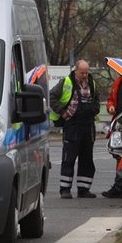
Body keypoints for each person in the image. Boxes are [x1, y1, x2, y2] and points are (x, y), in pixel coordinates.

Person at [49, 60, 101, 199]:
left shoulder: (92, 83)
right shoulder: (67, 82)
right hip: (72, 125)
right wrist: (62, 111)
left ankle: (84, 189)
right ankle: (65, 189)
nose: (85, 75)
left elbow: (96, 100)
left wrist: (94, 110)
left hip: (88, 126)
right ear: (75, 70)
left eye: (86, 72)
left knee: (87, 159)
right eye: (82, 72)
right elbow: (52, 96)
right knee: (69, 158)